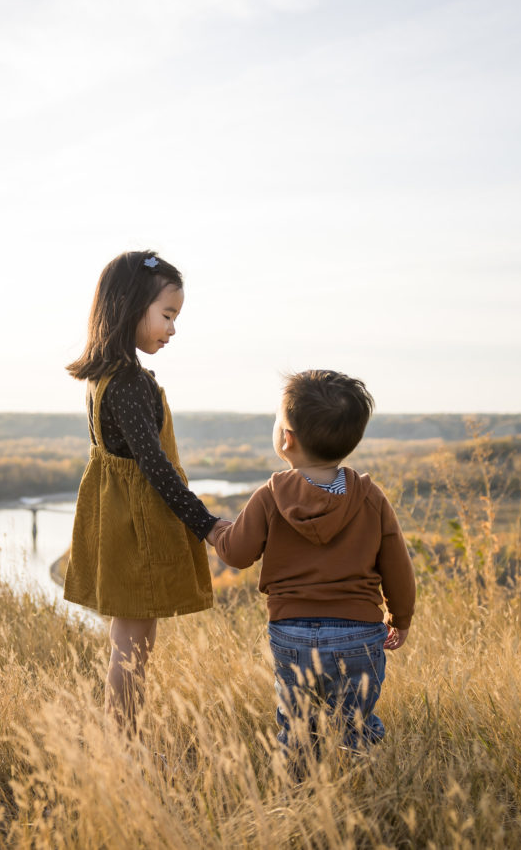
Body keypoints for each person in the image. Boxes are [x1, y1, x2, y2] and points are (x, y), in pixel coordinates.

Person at [210, 369, 415, 769]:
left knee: (298, 726)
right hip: (359, 635)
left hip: (291, 633)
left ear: (286, 438)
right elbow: (397, 566)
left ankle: (299, 798)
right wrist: (400, 617)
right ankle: (363, 789)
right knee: (356, 725)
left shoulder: (271, 496)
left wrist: (214, 527)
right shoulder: (370, 498)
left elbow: (236, 553)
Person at [65, 249, 231, 734]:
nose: (172, 329)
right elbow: (155, 469)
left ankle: (122, 743)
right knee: (134, 646)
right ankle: (124, 746)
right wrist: (207, 525)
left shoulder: (104, 376)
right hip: (137, 530)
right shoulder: (130, 384)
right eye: (167, 315)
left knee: (129, 639)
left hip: (115, 523)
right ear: (130, 306)